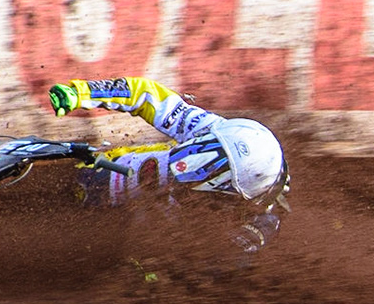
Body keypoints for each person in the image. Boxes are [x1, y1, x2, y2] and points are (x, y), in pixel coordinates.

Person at [33, 77, 291, 262]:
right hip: (153, 189)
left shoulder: (261, 220)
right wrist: (81, 93)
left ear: (230, 188)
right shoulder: (213, 129)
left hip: (179, 232)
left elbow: (224, 265)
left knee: (144, 254)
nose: (184, 185)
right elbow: (146, 94)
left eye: (203, 178)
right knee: (101, 179)